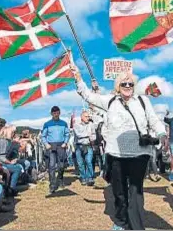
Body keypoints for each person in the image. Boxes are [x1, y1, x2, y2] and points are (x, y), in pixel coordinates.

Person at [71, 64, 167, 230]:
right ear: (118, 86)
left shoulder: (143, 101)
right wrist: (78, 78)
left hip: (139, 153)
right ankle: (121, 221)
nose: (128, 86)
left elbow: (154, 120)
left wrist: (161, 134)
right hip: (116, 154)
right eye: (124, 84)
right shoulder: (110, 101)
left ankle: (136, 226)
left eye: (130, 84)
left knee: (136, 191)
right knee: (119, 191)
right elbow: (88, 96)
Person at [42, 106, 70, 194]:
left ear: (59, 113)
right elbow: (43, 136)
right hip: (51, 146)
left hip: (61, 145)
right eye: (54, 113)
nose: (56, 114)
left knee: (61, 165)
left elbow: (67, 134)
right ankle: (52, 185)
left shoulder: (64, 123)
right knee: (52, 166)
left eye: (57, 113)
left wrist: (65, 142)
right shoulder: (47, 124)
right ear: (51, 114)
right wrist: (46, 144)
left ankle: (60, 179)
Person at [0, 126, 23, 196]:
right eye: (12, 132)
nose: (13, 134)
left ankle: (10, 188)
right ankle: (11, 189)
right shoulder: (4, 142)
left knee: (16, 166)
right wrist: (11, 162)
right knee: (17, 168)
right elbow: (2, 158)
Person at [73, 111, 96, 186]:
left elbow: (94, 135)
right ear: (81, 117)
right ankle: (83, 178)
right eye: (86, 116)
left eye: (88, 116)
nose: (88, 118)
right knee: (80, 164)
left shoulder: (91, 125)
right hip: (79, 146)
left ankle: (90, 178)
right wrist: (87, 134)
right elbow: (78, 134)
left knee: (89, 161)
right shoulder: (76, 125)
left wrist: (91, 138)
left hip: (88, 145)